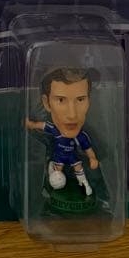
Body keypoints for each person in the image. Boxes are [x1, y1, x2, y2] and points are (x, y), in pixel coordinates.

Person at [26, 67, 99, 197]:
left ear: (89, 101)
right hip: (59, 157)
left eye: (80, 99)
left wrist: (92, 158)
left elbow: (88, 149)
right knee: (57, 173)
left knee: (79, 168)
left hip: (72, 157)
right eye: (61, 100)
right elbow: (41, 125)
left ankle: (85, 184)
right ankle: (53, 180)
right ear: (47, 103)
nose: (72, 115)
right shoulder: (54, 130)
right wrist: (30, 124)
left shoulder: (80, 136)